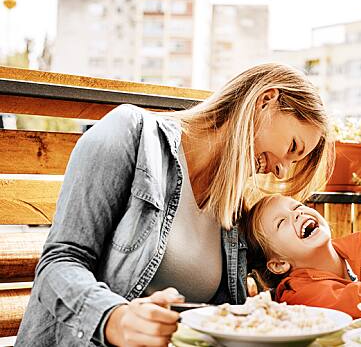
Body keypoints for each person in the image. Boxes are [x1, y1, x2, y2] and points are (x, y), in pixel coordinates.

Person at [16, 63, 334, 347]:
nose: (281, 172)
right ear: (266, 100)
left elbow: (296, 268)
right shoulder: (132, 135)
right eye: (293, 147)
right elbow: (58, 265)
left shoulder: (232, 210)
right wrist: (112, 318)